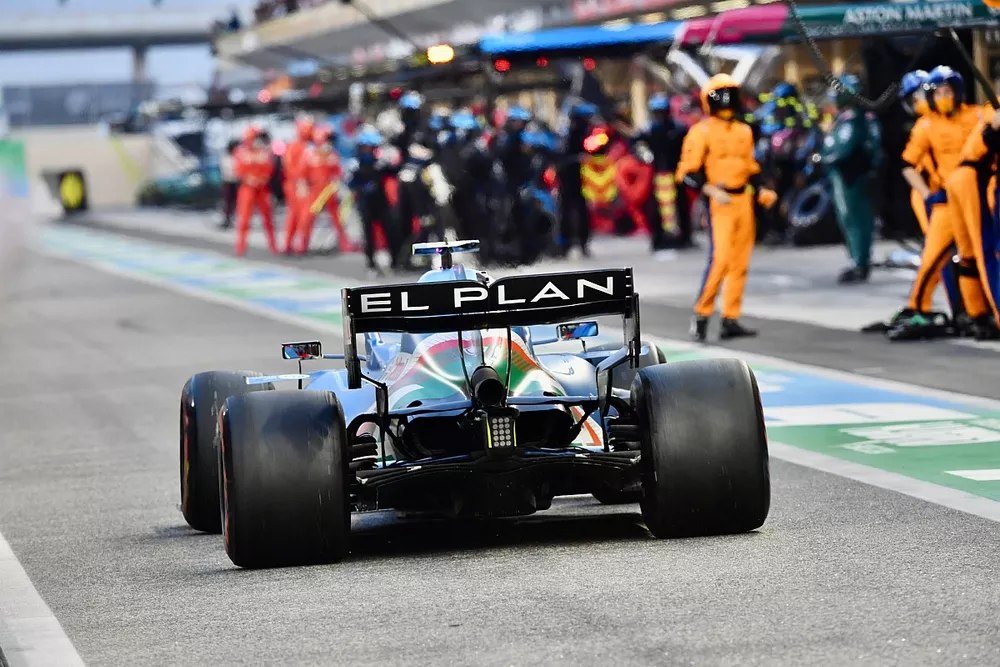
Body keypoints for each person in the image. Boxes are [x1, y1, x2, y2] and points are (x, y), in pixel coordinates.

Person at [676, 73, 779, 341]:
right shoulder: (701, 131)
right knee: (720, 260)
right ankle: (702, 313)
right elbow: (688, 172)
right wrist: (710, 190)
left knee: (740, 262)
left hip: (743, 199)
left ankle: (730, 318)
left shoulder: (744, 131)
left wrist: (762, 189)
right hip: (719, 202)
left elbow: (751, 167)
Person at [891, 65, 982, 339]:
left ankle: (977, 311)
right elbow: (908, 164)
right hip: (942, 198)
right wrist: (930, 196)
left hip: (975, 196)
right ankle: (923, 306)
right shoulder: (926, 125)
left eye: (946, 90)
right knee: (936, 257)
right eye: (935, 92)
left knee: (974, 257)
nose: (938, 97)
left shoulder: (974, 115)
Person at [940, 101, 1000, 338]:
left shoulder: (978, 111)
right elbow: (988, 141)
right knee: (978, 253)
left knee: (978, 253)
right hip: (972, 178)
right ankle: (983, 313)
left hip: (974, 179)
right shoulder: (989, 109)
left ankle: (980, 313)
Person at [818, 74, 883, 284]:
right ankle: (858, 260)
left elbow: (839, 150)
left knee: (855, 220)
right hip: (852, 175)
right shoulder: (854, 118)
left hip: (851, 176)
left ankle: (860, 262)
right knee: (853, 219)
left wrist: (826, 155)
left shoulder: (854, 119)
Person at [637, 93, 690, 253]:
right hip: (658, 173)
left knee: (680, 205)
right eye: (657, 112)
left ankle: (684, 237)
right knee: (656, 208)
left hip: (676, 171)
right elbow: (637, 143)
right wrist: (644, 155)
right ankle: (658, 238)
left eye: (662, 111)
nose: (659, 115)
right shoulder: (649, 129)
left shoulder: (679, 128)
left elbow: (689, 145)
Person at [347, 128, 401, 277]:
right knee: (368, 236)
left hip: (381, 202)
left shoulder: (379, 162)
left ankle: (395, 261)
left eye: (373, 147)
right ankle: (371, 264)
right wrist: (363, 188)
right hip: (365, 204)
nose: (370, 150)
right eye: (368, 147)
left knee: (390, 231)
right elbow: (350, 183)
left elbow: (394, 170)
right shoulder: (355, 164)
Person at [295, 123, 352, 255]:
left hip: (330, 190)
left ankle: (344, 243)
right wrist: (302, 187)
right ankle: (302, 244)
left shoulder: (333, 155)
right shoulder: (309, 155)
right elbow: (302, 174)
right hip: (315, 191)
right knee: (307, 218)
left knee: (337, 219)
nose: (330, 143)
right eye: (328, 140)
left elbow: (339, 172)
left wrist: (338, 184)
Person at [556, 101, 597, 259]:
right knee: (568, 212)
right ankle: (567, 245)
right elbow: (561, 157)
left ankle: (582, 243)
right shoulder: (569, 134)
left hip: (582, 181)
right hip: (568, 180)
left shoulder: (586, 134)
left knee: (581, 212)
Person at [233, 124, 278, 256]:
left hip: (263, 189)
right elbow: (238, 170)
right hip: (247, 189)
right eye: (256, 137)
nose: (258, 140)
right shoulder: (241, 151)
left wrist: (263, 178)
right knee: (244, 219)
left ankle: (273, 245)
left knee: (268, 218)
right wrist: (249, 178)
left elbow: (270, 168)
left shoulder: (265, 152)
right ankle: (240, 246)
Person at [281, 116, 314, 253]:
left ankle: (302, 245)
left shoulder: (312, 147)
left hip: (309, 185)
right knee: (295, 215)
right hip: (295, 185)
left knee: (306, 216)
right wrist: (299, 181)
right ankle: (289, 244)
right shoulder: (294, 146)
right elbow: (288, 166)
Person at [219, 139, 240, 230]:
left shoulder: (239, 156)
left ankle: (236, 219)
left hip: (236, 182)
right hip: (228, 181)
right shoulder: (226, 156)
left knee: (237, 202)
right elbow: (226, 169)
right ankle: (227, 219)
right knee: (228, 202)